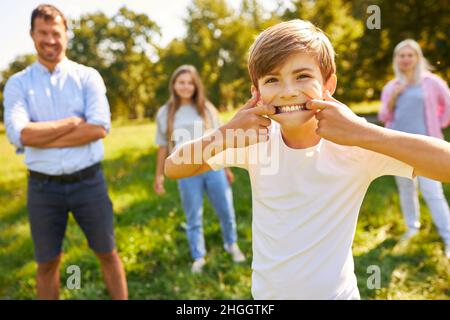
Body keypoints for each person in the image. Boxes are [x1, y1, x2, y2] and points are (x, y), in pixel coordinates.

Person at [164, 20, 450, 299]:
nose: (288, 90)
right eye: (272, 80)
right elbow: (174, 167)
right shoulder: (255, 139)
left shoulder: (357, 142)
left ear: (329, 85)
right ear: (257, 93)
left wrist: (364, 133)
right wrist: (225, 133)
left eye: (302, 76)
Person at [3, 5, 127, 299]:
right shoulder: (17, 84)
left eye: (55, 33)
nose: (50, 40)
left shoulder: (88, 77)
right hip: (42, 187)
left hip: (89, 182)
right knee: (47, 262)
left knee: (108, 252)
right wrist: (71, 123)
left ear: (66, 34)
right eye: (42, 33)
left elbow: (98, 128)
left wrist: (40, 136)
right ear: (32, 35)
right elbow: (19, 134)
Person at [153, 65, 245, 273]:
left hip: (213, 167)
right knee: (193, 215)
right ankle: (198, 256)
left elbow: (220, 140)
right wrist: (159, 175)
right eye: (181, 82)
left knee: (226, 211)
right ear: (174, 85)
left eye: (190, 83)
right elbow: (162, 147)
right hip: (185, 173)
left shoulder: (206, 108)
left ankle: (231, 244)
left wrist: (227, 169)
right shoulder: (165, 112)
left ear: (196, 86)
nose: (185, 87)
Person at [378, 39, 450, 253]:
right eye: (402, 55)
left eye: (410, 55)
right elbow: (384, 115)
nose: (406, 59)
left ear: (418, 58)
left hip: (427, 146)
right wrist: (394, 96)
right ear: (396, 59)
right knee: (406, 188)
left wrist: (438, 124)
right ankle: (412, 227)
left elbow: (447, 104)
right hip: (399, 146)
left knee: (432, 191)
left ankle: (448, 237)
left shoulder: (431, 82)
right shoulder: (391, 86)